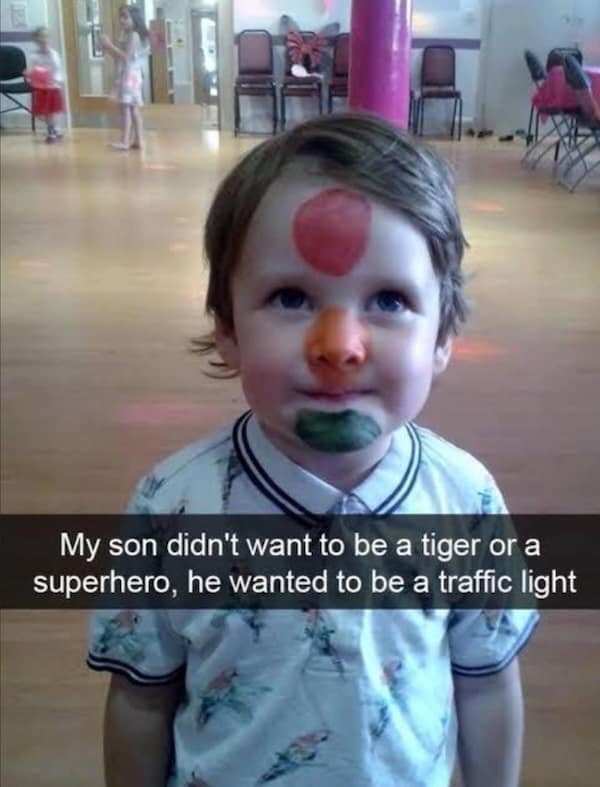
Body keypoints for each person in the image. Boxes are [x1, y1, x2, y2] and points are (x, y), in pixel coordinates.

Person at [88, 113, 539, 787]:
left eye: (388, 299)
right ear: (227, 328)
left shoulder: (464, 501)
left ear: (443, 334)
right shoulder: (173, 507)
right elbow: (140, 696)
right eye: (291, 296)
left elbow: (486, 681)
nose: (340, 345)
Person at [101, 5, 149, 151]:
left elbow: (126, 58)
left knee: (125, 108)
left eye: (125, 16)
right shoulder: (126, 34)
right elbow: (120, 56)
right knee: (133, 108)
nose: (122, 20)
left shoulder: (133, 35)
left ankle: (125, 140)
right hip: (131, 74)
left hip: (130, 74)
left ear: (134, 18)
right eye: (121, 16)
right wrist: (108, 48)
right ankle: (138, 140)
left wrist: (109, 46)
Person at [29, 26, 65, 143]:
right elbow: (33, 71)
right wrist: (31, 77)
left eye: (45, 37)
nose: (43, 39)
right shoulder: (34, 56)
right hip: (41, 88)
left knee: (53, 111)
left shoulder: (53, 54)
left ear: (49, 39)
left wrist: (55, 81)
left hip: (53, 87)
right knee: (45, 111)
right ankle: (52, 128)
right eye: (40, 37)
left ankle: (54, 130)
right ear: (36, 40)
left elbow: (57, 69)